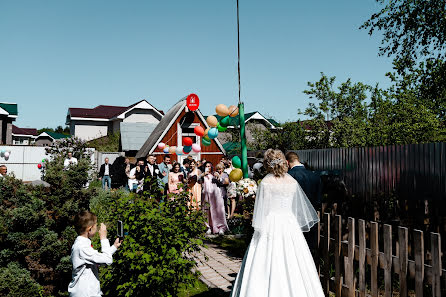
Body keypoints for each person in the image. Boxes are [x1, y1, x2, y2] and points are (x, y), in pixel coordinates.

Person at [230, 149, 323, 297]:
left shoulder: (266, 182)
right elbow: (295, 206)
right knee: (295, 261)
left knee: (267, 259)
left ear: (268, 164)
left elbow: (263, 210)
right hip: (289, 223)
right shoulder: (292, 182)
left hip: (271, 223)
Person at [68, 210, 121, 296]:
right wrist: (103, 238)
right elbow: (107, 260)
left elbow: (100, 259)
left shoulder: (82, 245)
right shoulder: (82, 247)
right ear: (89, 229)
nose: (97, 228)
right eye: (96, 225)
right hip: (86, 294)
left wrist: (114, 247)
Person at [286, 151, 322, 258]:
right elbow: (319, 200)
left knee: (294, 252)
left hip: (294, 219)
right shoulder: (315, 176)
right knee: (310, 251)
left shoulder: (288, 177)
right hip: (311, 219)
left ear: (287, 163)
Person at [202, 161, 229, 235]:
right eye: (206, 166)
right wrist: (203, 174)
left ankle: (221, 227)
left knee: (218, 210)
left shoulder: (214, 174)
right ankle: (208, 227)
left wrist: (218, 177)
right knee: (207, 211)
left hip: (215, 195)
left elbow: (222, 181)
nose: (207, 168)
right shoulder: (203, 176)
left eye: (209, 166)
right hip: (206, 195)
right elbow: (198, 181)